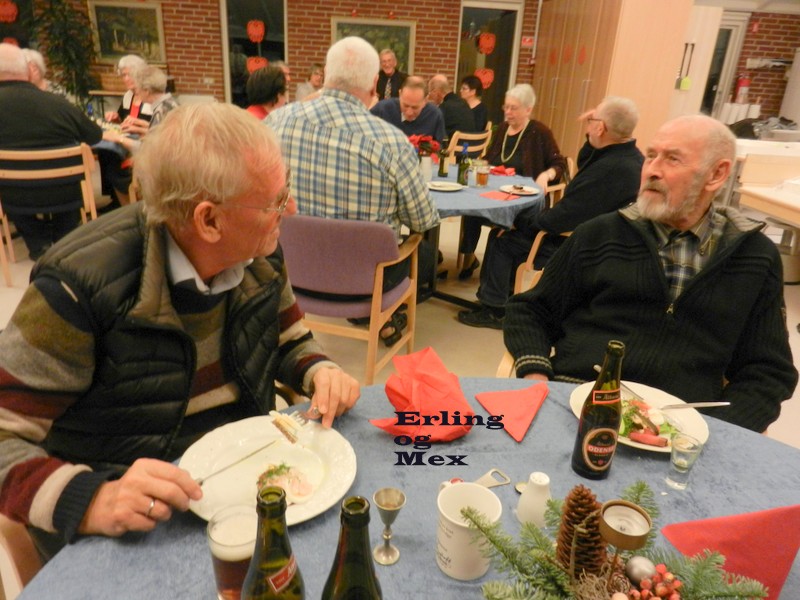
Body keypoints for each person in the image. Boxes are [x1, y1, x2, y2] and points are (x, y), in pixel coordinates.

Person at [0, 102, 360, 560]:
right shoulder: (78, 288)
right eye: (275, 200)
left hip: (246, 485)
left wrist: (319, 370)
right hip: (138, 519)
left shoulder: (259, 253)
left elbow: (289, 338)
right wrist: (91, 499)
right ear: (209, 220)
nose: (290, 208)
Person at [504, 114, 798, 433]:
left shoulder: (754, 257)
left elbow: (768, 372)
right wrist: (537, 377)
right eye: (651, 155)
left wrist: (718, 434)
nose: (652, 170)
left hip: (682, 426)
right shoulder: (599, 235)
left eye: (672, 159)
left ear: (717, 174)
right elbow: (530, 311)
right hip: (576, 402)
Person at [267, 37, 439, 344]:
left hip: (291, 272)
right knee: (425, 253)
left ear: (326, 75)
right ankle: (379, 318)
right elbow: (423, 220)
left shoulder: (275, 122)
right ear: (374, 84)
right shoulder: (391, 143)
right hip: (367, 283)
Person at [458, 96, 644, 329]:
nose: (587, 124)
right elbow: (587, 165)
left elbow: (564, 217)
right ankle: (502, 298)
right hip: (598, 238)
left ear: (601, 128)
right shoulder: (628, 157)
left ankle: (494, 310)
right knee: (511, 231)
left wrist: (522, 222)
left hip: (577, 246)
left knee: (502, 237)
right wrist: (592, 133)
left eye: (592, 121)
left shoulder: (610, 170)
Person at [0, 43, 102, 260]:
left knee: (9, 188)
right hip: (65, 193)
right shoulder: (58, 104)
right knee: (70, 186)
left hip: (15, 197)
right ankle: (64, 239)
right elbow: (95, 136)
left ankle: (38, 245)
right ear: (28, 71)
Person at [458, 83, 566, 280]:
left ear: (528, 109)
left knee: (487, 217)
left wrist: (546, 175)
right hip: (494, 194)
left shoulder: (539, 132)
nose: (507, 112)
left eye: (513, 108)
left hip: (522, 202)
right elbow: (490, 158)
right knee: (471, 210)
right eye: (506, 107)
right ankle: (469, 258)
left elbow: (559, 163)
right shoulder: (503, 129)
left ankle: (492, 274)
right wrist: (479, 165)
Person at [99, 54, 152, 209]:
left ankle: (128, 202)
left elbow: (155, 127)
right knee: (105, 152)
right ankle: (115, 198)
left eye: (130, 74)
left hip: (143, 145)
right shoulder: (128, 96)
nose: (126, 79)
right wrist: (116, 118)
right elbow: (123, 122)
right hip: (128, 139)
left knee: (113, 160)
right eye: (124, 75)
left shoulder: (149, 96)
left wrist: (135, 127)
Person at [102, 65, 178, 156]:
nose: (136, 93)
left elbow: (148, 149)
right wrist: (140, 126)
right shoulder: (171, 103)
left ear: (147, 91)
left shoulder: (161, 111)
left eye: (137, 89)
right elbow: (160, 134)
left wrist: (118, 138)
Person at [370, 75, 446, 143]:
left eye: (415, 107)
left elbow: (438, 148)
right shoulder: (382, 110)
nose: (409, 112)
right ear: (400, 94)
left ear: (425, 100)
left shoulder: (434, 115)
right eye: (405, 106)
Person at [428, 73, 476, 139]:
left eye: (430, 92)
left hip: (455, 144)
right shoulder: (463, 102)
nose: (429, 96)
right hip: (471, 143)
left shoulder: (445, 107)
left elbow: (430, 128)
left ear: (436, 92)